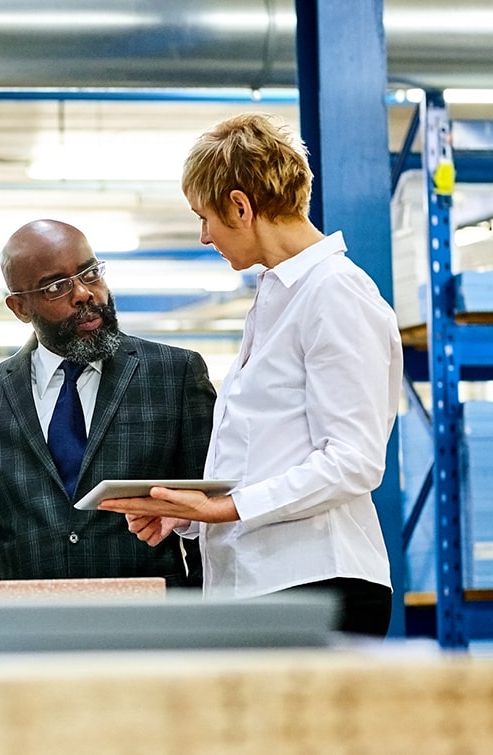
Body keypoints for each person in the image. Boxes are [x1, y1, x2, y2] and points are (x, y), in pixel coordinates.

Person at [98, 113, 403, 636]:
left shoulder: (336, 293)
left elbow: (354, 461)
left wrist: (228, 508)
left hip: (318, 583)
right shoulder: (275, 297)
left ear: (241, 205)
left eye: (205, 217)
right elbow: (266, 450)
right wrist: (188, 514)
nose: (202, 235)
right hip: (262, 586)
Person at [0, 219, 217, 584]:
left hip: (150, 626)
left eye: (91, 273)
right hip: (34, 630)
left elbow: (209, 522)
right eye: (56, 286)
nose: (84, 293)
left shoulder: (173, 375)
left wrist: (202, 620)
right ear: (20, 307)